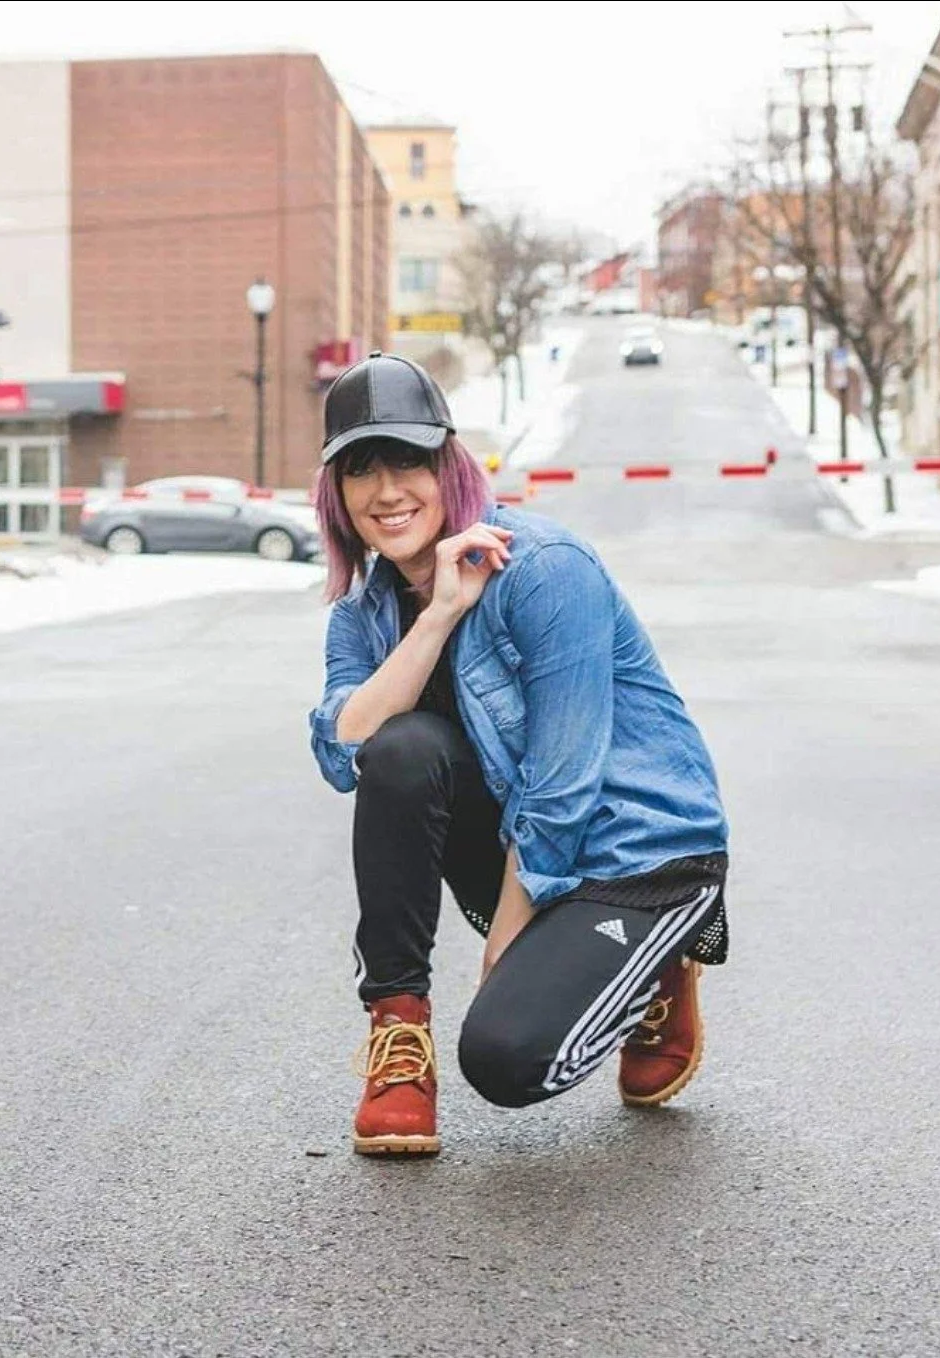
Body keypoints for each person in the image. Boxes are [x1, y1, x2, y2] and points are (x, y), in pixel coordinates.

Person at [309, 351, 729, 1156]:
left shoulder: (543, 567)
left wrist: (503, 947)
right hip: (520, 845)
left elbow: (564, 784)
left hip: (634, 849)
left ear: (448, 462)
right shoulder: (362, 611)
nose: (387, 490)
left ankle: (660, 960)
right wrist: (433, 618)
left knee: (505, 1061)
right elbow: (346, 748)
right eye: (360, 469)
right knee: (402, 749)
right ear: (338, 492)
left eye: (407, 460)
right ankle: (398, 1043)